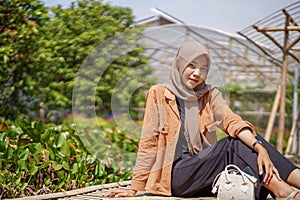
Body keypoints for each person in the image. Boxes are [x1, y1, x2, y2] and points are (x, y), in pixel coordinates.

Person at [104, 41, 300, 199]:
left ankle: (292, 184)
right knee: (230, 145)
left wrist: (259, 147)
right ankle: (282, 191)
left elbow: (231, 120)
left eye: (203, 68)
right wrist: (134, 188)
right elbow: (148, 143)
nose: (197, 73)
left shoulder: (209, 94)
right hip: (174, 177)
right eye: (192, 65)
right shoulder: (159, 94)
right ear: (180, 64)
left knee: (251, 141)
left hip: (202, 171)